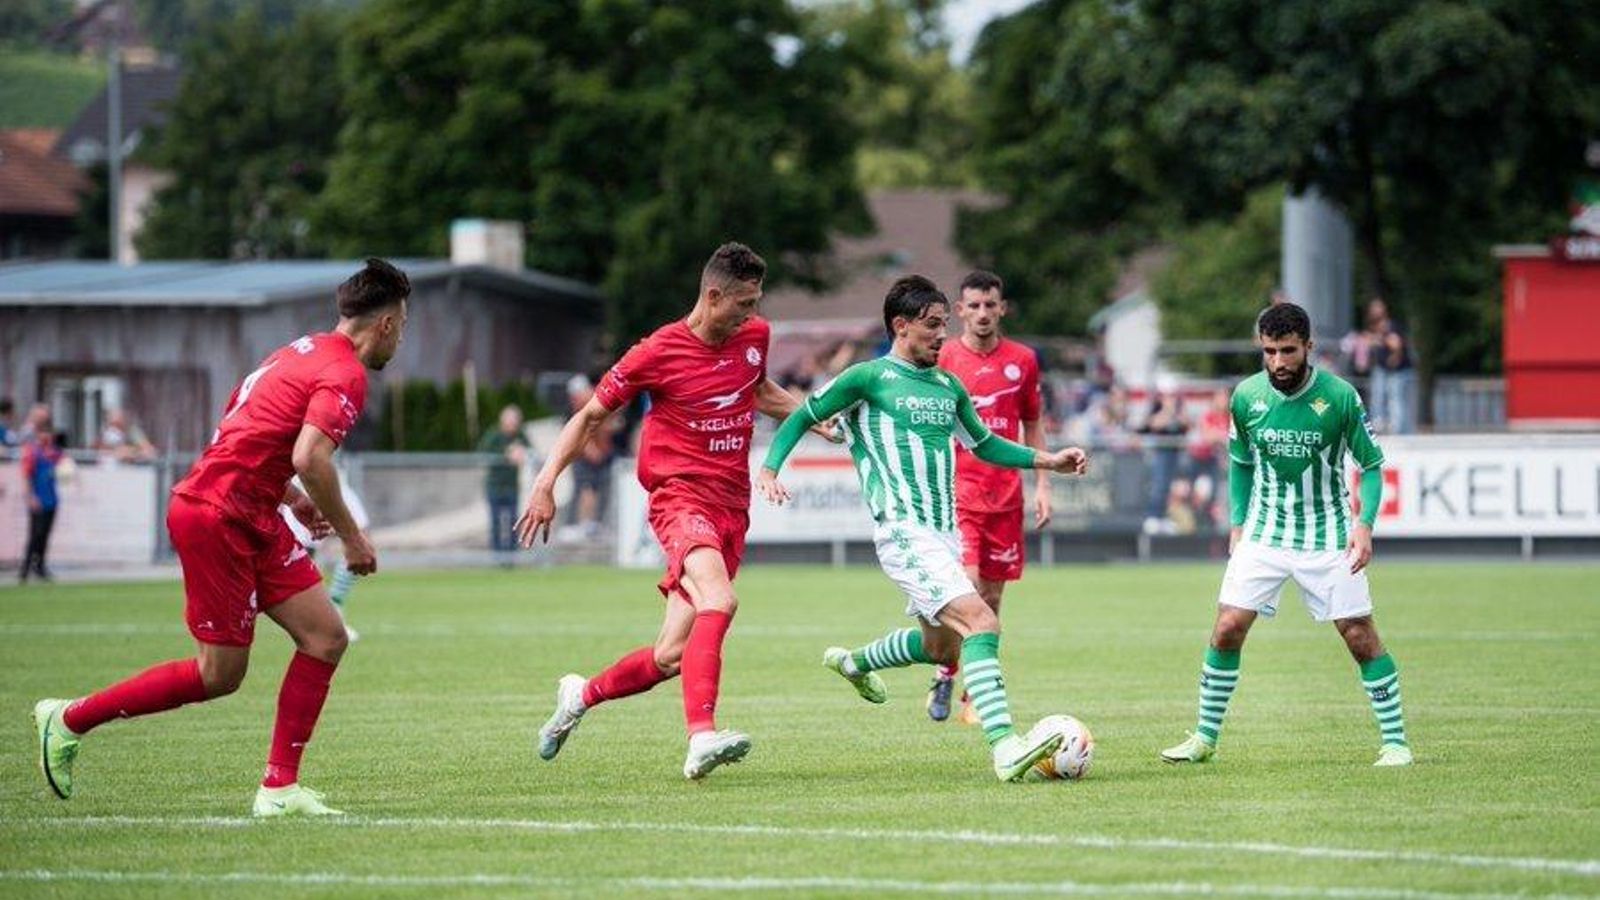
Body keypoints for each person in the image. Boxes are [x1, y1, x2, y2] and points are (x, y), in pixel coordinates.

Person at [32, 258, 410, 815]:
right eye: (402, 326)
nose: (399, 338)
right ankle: (66, 720)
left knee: (325, 637)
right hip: (217, 516)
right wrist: (353, 539)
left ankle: (279, 789)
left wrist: (292, 500)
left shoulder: (297, 352)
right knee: (220, 675)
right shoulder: (345, 372)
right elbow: (310, 456)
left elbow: (244, 432)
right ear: (385, 324)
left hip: (251, 511)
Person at [758, 275, 1090, 782]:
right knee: (982, 621)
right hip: (903, 532)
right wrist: (770, 468)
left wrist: (1050, 461)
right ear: (901, 326)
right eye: (933, 326)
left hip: (944, 534)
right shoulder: (867, 378)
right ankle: (1004, 748)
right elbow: (804, 414)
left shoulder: (947, 385)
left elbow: (986, 445)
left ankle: (855, 662)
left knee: (942, 647)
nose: (942, 336)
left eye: (944, 325)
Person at [521, 242, 826, 780]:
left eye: (756, 303)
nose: (752, 316)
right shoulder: (656, 352)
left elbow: (756, 390)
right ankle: (701, 737)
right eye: (743, 304)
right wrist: (546, 484)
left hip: (733, 506)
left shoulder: (753, 336)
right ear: (712, 296)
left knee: (671, 656)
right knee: (720, 599)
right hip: (679, 498)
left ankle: (579, 696)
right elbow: (590, 417)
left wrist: (811, 416)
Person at [1159, 302, 1411, 769]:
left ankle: (1395, 742)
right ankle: (1204, 738)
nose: (1278, 362)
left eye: (1288, 351)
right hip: (1264, 534)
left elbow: (1371, 466)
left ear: (1309, 347)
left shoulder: (1339, 397)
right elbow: (1240, 463)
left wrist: (1364, 524)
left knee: (1359, 635)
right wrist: (1237, 523)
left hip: (1329, 534)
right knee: (1227, 627)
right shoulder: (1246, 396)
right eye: (1269, 351)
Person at [924, 270, 1050, 724]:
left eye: (989, 305)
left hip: (1007, 496)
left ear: (1002, 308)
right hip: (958, 495)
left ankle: (957, 681)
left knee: (993, 600)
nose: (982, 313)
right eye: (973, 305)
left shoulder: (1023, 359)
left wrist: (1044, 486)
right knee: (969, 589)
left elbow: (1032, 421)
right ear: (960, 311)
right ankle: (962, 682)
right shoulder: (944, 359)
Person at [279, 463, 371, 642]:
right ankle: (318, 616)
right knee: (301, 554)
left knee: (363, 544)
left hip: (325, 476)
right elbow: (307, 455)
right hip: (307, 477)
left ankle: (333, 606)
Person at [561, 374, 619, 540]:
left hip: (602, 455)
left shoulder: (598, 403)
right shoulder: (575, 410)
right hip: (582, 457)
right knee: (584, 489)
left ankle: (595, 524)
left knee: (602, 489)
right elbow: (578, 432)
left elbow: (608, 424)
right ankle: (579, 525)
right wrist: (590, 450)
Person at [1139, 382, 1190, 535]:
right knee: (1159, 486)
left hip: (1176, 452)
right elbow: (1154, 424)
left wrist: (1176, 411)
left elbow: (1186, 424)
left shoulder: (1180, 409)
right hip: (1161, 453)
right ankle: (1153, 517)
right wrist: (1168, 410)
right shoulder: (1156, 408)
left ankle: (1164, 517)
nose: (1171, 399)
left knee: (1172, 487)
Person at [478, 404, 529, 554]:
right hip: (494, 487)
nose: (513, 424)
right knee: (496, 523)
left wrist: (522, 452)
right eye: (510, 421)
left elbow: (529, 449)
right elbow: (484, 452)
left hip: (512, 487)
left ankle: (512, 555)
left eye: (515, 421)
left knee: (514, 522)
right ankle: (497, 555)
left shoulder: (520, 436)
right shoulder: (494, 435)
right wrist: (506, 454)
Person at [19, 415, 64, 583]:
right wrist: (30, 496)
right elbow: (26, 476)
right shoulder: (32, 452)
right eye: (43, 433)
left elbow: (66, 467)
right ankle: (25, 568)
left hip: (52, 499)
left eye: (49, 433)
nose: (46, 437)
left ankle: (41, 566)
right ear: (38, 434)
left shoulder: (55, 453)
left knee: (45, 534)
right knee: (34, 534)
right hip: (38, 499)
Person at [1365, 299, 1414, 434]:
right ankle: (1379, 423)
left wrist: (1395, 357)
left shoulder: (1390, 326)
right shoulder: (1375, 329)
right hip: (1383, 368)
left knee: (1395, 400)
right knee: (1379, 396)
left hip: (1397, 370)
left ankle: (1397, 429)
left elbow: (1396, 344)